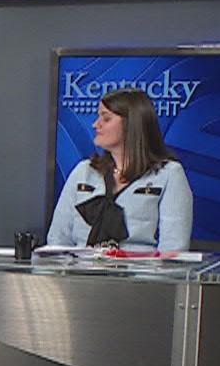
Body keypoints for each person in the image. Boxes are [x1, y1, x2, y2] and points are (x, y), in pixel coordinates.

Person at [46, 88, 192, 252]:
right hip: (80, 266)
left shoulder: (169, 174)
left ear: (132, 123)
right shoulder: (84, 171)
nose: (96, 124)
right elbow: (57, 240)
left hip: (139, 268)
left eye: (106, 118)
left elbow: (173, 250)